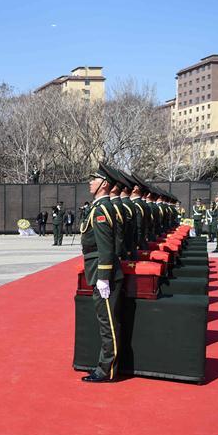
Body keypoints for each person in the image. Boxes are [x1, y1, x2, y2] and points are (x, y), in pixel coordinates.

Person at [80, 164, 123, 383]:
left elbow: (106, 247)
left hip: (102, 273)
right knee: (107, 321)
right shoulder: (102, 208)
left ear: (104, 184)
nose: (90, 182)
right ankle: (106, 365)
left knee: (108, 323)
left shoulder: (101, 210)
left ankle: (107, 370)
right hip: (100, 270)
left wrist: (103, 277)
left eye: (94, 179)